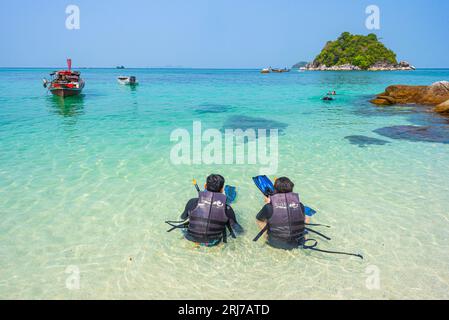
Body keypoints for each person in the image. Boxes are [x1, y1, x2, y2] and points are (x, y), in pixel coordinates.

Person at [180, 174, 244, 247]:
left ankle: (195, 244)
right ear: (222, 189)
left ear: (205, 186)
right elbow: (237, 229)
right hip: (213, 242)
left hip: (190, 238)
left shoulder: (192, 202)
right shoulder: (227, 208)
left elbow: (182, 218)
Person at [255, 177, 307, 250]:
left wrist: (268, 204)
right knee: (306, 217)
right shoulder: (300, 205)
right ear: (291, 189)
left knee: (264, 218)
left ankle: (266, 236)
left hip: (275, 243)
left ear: (275, 190)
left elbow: (259, 220)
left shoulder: (269, 207)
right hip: (297, 242)